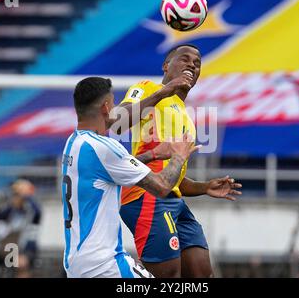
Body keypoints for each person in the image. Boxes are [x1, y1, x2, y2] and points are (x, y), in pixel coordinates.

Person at [114, 44, 242, 278]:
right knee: (166, 277)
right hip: (146, 196)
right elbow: (117, 122)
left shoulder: (186, 118)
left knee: (201, 274)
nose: (192, 65)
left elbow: (176, 179)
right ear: (166, 66)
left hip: (174, 200)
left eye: (197, 63)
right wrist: (164, 91)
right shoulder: (147, 88)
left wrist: (204, 187)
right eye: (184, 59)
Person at [61, 76, 202, 278]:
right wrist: (178, 156)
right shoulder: (106, 148)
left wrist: (152, 154)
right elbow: (161, 186)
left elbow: (114, 167)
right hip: (105, 265)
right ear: (106, 108)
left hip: (76, 262)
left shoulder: (74, 143)